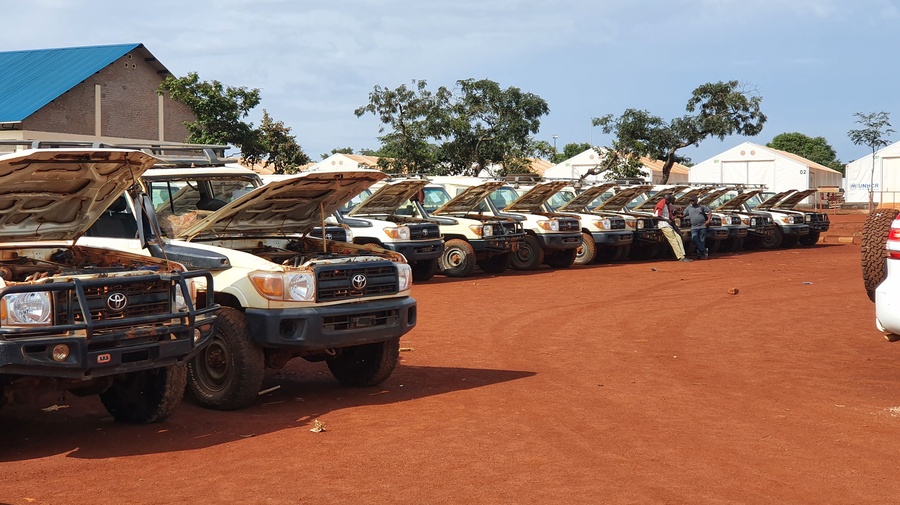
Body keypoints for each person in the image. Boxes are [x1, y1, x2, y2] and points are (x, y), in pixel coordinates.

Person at [654, 194, 691, 262]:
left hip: (668, 225)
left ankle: (683, 255)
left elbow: (672, 212)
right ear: (666, 199)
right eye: (668, 200)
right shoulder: (661, 204)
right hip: (664, 225)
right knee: (673, 240)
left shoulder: (667, 205)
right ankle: (680, 257)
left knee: (678, 238)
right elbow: (657, 216)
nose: (669, 202)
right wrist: (667, 220)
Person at [683, 195, 712, 259]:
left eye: (693, 200)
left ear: (696, 201)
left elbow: (709, 212)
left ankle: (700, 255)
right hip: (694, 227)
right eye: (690, 201)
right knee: (694, 239)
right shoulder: (688, 208)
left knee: (702, 240)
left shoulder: (701, 207)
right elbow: (683, 214)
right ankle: (704, 251)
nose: (691, 202)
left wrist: (708, 220)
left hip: (702, 226)